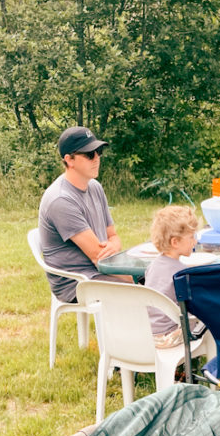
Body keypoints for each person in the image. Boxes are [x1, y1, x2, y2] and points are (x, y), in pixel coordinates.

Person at [37, 125, 128, 303]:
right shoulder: (60, 200)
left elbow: (114, 237)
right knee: (147, 290)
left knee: (161, 278)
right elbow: (97, 256)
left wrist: (114, 246)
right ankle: (160, 330)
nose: (97, 158)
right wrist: (138, 282)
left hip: (100, 269)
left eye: (99, 151)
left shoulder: (95, 187)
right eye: (89, 154)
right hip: (77, 282)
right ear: (69, 160)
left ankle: (172, 329)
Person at [144, 204, 201, 348]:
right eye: (191, 237)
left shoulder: (152, 266)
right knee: (209, 322)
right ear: (175, 242)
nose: (195, 241)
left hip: (147, 334)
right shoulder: (181, 273)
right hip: (170, 337)